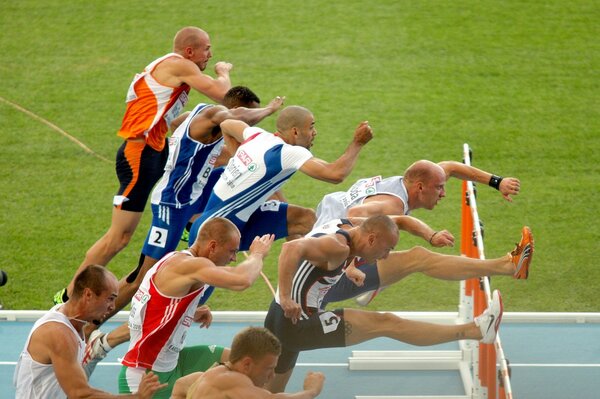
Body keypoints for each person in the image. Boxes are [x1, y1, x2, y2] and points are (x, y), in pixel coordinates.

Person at [55, 26, 233, 304]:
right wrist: (223, 72)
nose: (210, 54)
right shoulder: (180, 65)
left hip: (153, 150)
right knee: (119, 238)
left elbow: (168, 116)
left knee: (193, 171)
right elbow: (224, 95)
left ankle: (190, 220)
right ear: (189, 51)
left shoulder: (172, 66)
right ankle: (67, 296)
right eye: (207, 49)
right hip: (139, 154)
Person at [263, 215, 528, 392]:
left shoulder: (344, 226)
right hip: (296, 324)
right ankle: (476, 331)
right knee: (386, 323)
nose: (387, 256)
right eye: (386, 249)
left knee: (269, 394)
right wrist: (287, 296)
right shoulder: (338, 247)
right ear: (370, 239)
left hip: (276, 317)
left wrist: (347, 269)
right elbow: (291, 249)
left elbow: (314, 261)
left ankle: (503, 273)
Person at [314, 159, 524, 305]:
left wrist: (498, 182)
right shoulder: (392, 204)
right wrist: (350, 266)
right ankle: (508, 266)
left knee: (385, 241)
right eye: (439, 188)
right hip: (328, 277)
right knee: (418, 257)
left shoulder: (407, 183)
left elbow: (449, 167)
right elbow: (354, 214)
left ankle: (377, 279)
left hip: (322, 241)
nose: (444, 194)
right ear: (420, 187)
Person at [117, 217, 274, 398]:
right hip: (146, 376)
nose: (233, 258)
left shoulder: (180, 260)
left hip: (175, 363)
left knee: (252, 364)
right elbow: (242, 280)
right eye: (232, 251)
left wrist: (188, 312)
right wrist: (257, 254)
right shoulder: (187, 265)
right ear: (212, 246)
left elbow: (157, 305)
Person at [187, 105, 374, 251]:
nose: (314, 132)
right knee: (200, 291)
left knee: (306, 219)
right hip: (214, 232)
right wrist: (358, 143)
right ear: (294, 132)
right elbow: (335, 174)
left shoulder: (256, 135)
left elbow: (226, 124)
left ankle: (316, 269)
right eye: (311, 127)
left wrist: (238, 155)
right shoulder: (288, 153)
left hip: (234, 222)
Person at [13, 265, 166, 398]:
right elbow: (80, 394)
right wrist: (136, 397)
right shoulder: (59, 334)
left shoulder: (73, 321)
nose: (113, 306)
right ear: (88, 295)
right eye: (110, 299)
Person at [171, 327, 325, 399]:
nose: (272, 376)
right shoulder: (230, 380)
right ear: (247, 364)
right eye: (268, 368)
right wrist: (311, 391)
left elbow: (180, 384)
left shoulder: (200, 378)